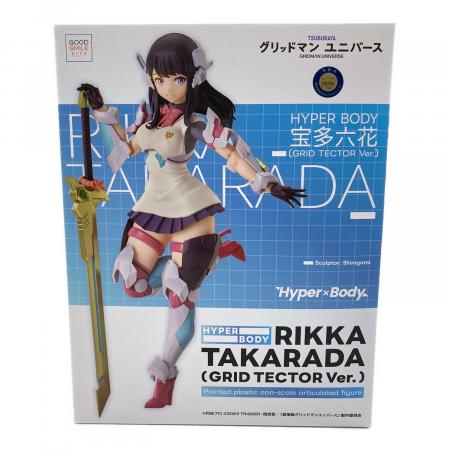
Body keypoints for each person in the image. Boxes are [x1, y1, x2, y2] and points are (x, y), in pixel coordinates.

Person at [81, 32, 306, 409]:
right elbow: (118, 151)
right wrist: (100, 110)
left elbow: (232, 154)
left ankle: (164, 376)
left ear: (194, 78)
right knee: (134, 283)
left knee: (180, 295)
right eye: (159, 78)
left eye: (178, 79)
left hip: (191, 210)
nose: (167, 87)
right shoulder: (147, 120)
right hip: (152, 208)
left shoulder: (196, 123)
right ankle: (213, 255)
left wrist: (266, 183)